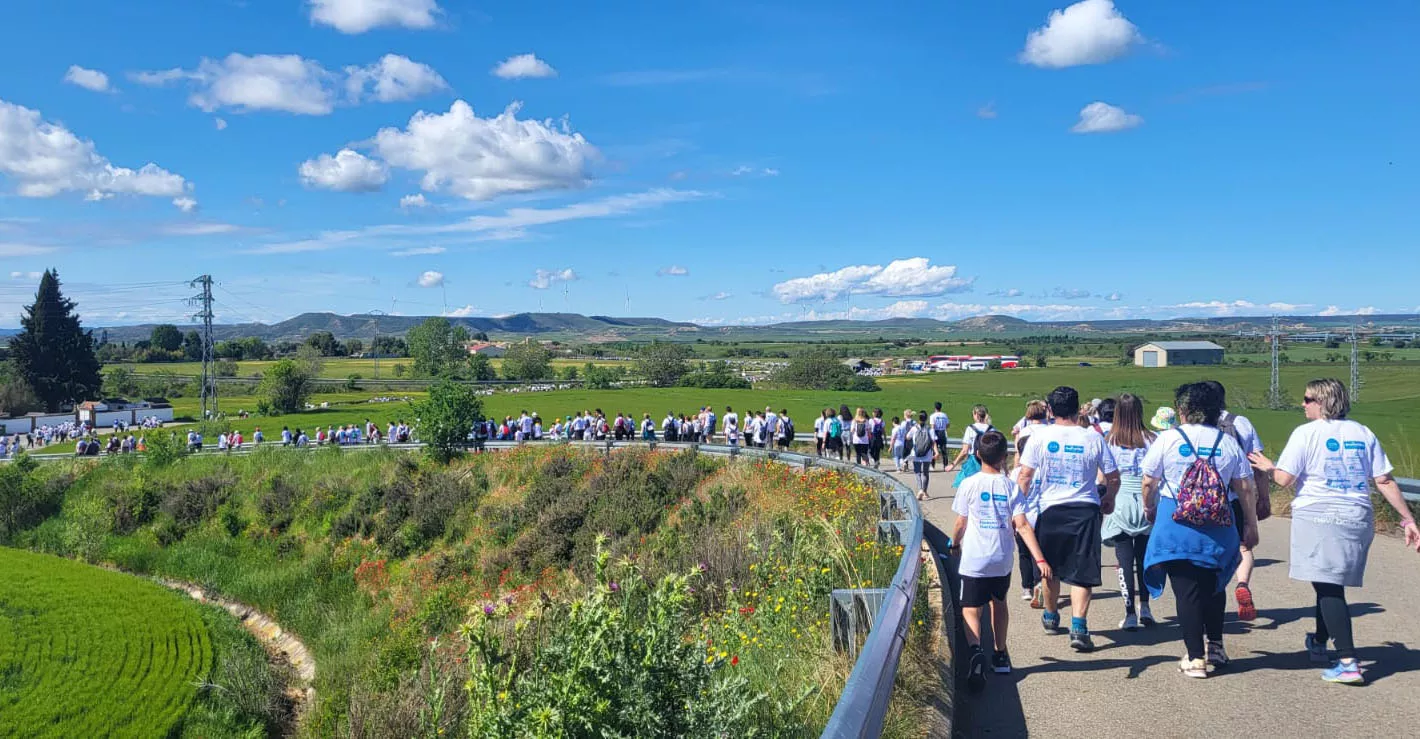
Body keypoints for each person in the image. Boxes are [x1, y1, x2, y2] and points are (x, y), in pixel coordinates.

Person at [1248, 378, 1420, 685]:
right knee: (1329, 580)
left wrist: (1268, 466)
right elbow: (1384, 480)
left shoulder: (1306, 433)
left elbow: (1285, 479)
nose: (1302, 404)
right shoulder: (1362, 432)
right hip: (1357, 515)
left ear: (1323, 402)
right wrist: (1408, 519)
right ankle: (1318, 641)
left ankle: (1348, 661)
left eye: (1307, 399)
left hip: (1318, 514)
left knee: (1328, 585)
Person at [1141, 382, 1259, 679]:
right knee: (1214, 587)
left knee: (1186, 592)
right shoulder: (1228, 443)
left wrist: (1149, 508)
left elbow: (1148, 481)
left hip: (1175, 522)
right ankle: (1216, 646)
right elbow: (1245, 488)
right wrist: (1250, 524)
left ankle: (1195, 657)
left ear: (1184, 410)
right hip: (1218, 526)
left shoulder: (1168, 438)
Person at [1016, 386, 1121, 652]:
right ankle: (1079, 626)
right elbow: (1113, 476)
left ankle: (1051, 615)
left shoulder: (1039, 437)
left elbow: (1025, 476)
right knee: (1083, 571)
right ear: (1078, 409)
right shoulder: (1093, 437)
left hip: (1051, 509)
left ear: (1050, 410)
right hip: (1085, 508)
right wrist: (1109, 499)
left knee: (1050, 567)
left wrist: (1017, 509)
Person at [950, 431, 1052, 692]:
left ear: (977, 455)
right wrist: (1039, 558)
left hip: (974, 557)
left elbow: (961, 522)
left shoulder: (969, 484)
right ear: (1003, 457)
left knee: (971, 608)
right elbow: (1022, 525)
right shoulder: (1011, 486)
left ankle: (975, 651)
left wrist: (954, 543)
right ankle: (1000, 653)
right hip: (1001, 557)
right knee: (999, 603)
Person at [1203, 380, 1266, 622]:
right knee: (1244, 547)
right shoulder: (1240, 422)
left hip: (1205, 498)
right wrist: (1263, 498)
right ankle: (1242, 584)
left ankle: (1211, 593)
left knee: (1209, 549)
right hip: (1236, 495)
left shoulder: (1195, 425)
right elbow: (1256, 463)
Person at [1101, 393, 1155, 630]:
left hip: (1119, 499)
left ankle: (1129, 612)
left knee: (1124, 560)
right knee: (1144, 559)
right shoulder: (1153, 438)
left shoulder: (1108, 440)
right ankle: (1147, 607)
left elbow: (1103, 475)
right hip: (1146, 499)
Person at [1011, 435, 1045, 604]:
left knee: (1023, 553)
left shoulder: (1017, 472)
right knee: (1037, 552)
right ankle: (1039, 582)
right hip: (1039, 516)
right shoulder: (1042, 470)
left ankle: (1026, 587)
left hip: (1021, 517)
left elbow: (1011, 497)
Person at [948, 405, 994, 487]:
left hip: (973, 462)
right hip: (987, 462)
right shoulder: (992, 429)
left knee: (967, 488)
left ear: (976, 415)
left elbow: (965, 451)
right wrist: (1005, 469)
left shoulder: (970, 429)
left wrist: (953, 464)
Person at [907, 411, 935, 500]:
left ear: (918, 419)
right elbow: (933, 441)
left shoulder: (914, 428)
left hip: (916, 453)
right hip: (927, 454)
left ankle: (920, 490)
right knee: (926, 473)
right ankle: (925, 491)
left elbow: (908, 437)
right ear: (926, 419)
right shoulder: (930, 429)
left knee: (917, 472)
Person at [929, 402, 951, 470]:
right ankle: (945, 465)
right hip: (942, 432)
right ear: (941, 407)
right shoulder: (944, 415)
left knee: (933, 450)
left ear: (935, 407)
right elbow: (948, 425)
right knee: (944, 449)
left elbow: (932, 426)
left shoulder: (932, 416)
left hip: (936, 432)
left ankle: (932, 466)